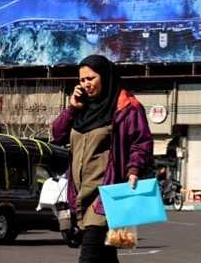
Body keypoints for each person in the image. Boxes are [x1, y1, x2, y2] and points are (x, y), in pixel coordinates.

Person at [51, 55, 153, 263]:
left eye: (91, 78)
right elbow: (58, 135)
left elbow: (140, 142)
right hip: (80, 193)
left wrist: (134, 170)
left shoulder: (127, 108)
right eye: (82, 80)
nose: (86, 84)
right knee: (106, 256)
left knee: (89, 254)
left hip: (106, 192)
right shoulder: (81, 109)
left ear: (105, 77)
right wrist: (72, 108)